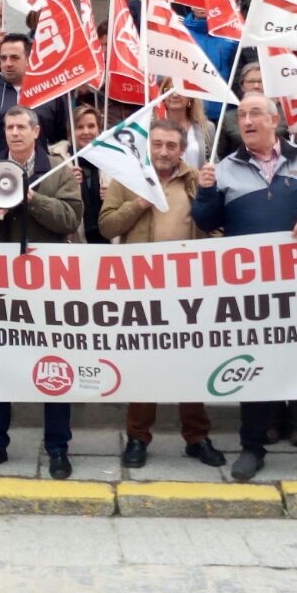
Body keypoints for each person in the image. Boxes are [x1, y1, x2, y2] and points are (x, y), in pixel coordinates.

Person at [191, 93, 297, 482]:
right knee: (254, 366)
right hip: (252, 291)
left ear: (275, 121)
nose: (246, 121)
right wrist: (207, 191)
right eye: (242, 115)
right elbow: (205, 219)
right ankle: (251, 448)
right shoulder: (224, 168)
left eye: (255, 114)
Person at [0, 107, 83, 478]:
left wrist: (32, 200)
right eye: (9, 127)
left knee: (54, 364)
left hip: (48, 286)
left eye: (20, 127)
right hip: (1, 287)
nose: (14, 133)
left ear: (35, 131)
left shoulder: (58, 170)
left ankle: (58, 446)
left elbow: (71, 218)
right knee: (0, 366)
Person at [100, 120, 224, 471]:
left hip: (188, 288)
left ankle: (197, 438)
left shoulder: (197, 180)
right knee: (145, 365)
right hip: (141, 288)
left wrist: (204, 259)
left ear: (182, 150)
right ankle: (138, 437)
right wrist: (138, 203)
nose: (164, 151)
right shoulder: (128, 179)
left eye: (171, 145)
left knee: (191, 363)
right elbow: (107, 225)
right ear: (148, 146)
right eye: (157, 144)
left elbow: (216, 226)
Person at [0, 33, 67, 160]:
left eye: (14, 58)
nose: (8, 64)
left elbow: (63, 138)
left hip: (40, 172)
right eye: (3, 58)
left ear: (29, 59)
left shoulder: (49, 91)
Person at [70, 103, 108, 245]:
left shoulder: (115, 160)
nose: (86, 132)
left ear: (99, 129)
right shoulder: (60, 162)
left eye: (91, 126)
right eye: (79, 127)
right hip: (76, 244)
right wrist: (66, 181)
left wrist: (114, 194)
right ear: (71, 131)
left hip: (108, 241)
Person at [161, 91, 216, 170]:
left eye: (179, 90)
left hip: (198, 181)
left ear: (190, 97)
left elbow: (214, 160)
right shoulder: (152, 128)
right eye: (169, 89)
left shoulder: (206, 127)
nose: (175, 95)